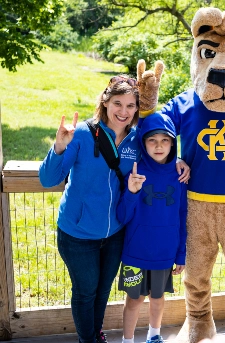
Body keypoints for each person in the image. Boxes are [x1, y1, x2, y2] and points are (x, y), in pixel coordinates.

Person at [39, 74, 190, 343]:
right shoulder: (83, 134)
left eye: (131, 106)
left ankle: (96, 334)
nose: (124, 111)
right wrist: (60, 146)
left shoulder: (136, 139)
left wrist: (177, 161)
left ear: (136, 109)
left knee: (102, 291)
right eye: (118, 103)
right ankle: (90, 341)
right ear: (105, 102)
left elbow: (160, 149)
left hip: (116, 232)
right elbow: (48, 179)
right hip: (79, 232)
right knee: (86, 291)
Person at [117, 112, 187, 343]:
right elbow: (122, 216)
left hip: (164, 254)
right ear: (143, 141)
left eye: (165, 140)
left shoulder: (180, 176)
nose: (159, 146)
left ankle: (154, 336)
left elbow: (182, 216)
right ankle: (128, 340)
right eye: (152, 140)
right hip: (135, 254)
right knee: (134, 301)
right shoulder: (135, 173)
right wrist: (132, 192)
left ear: (172, 143)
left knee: (158, 298)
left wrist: (181, 254)